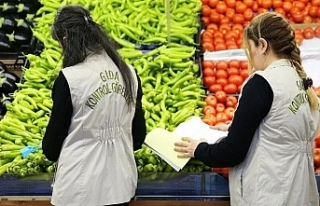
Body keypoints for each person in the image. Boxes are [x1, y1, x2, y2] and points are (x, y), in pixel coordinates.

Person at [174, 12, 320, 206]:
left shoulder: (262, 83)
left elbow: (232, 152)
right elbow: (280, 127)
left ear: (263, 45)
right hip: (299, 194)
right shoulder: (301, 83)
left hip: (269, 195)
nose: (249, 55)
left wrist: (198, 149)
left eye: (249, 48)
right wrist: (236, 126)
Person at [42, 5, 146, 206]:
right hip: (121, 187)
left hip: (78, 190)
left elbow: (51, 149)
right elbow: (138, 138)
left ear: (65, 40)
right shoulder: (129, 73)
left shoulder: (70, 79)